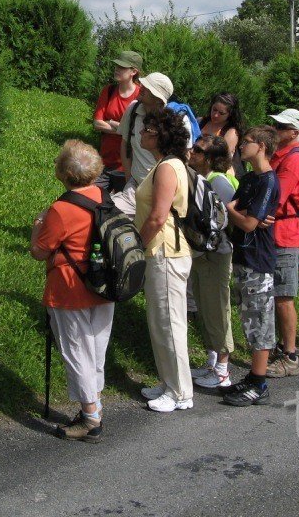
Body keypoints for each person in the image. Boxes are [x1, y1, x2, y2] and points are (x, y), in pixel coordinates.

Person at [30, 140, 114, 443]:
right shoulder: (104, 197)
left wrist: (37, 225)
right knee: (96, 349)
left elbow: (40, 252)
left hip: (70, 288)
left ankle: (91, 418)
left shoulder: (61, 209)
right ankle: (95, 405)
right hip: (104, 284)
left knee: (77, 351)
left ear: (64, 173)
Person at [135, 108, 194, 413]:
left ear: (160, 136)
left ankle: (181, 392)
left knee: (170, 323)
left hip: (166, 252)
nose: (141, 134)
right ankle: (168, 382)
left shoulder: (168, 167)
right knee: (160, 321)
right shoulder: (164, 164)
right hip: (161, 252)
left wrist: (135, 246)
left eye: (147, 130)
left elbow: (158, 217)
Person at [221, 125, 280, 407]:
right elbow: (238, 211)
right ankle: (252, 376)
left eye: (247, 142)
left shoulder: (268, 181)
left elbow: (247, 221)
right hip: (242, 257)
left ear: (262, 147)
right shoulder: (248, 180)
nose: (242, 146)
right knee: (248, 318)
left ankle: (260, 383)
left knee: (260, 320)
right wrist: (238, 212)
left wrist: (235, 212)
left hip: (258, 259)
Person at [187, 135, 237, 390]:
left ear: (209, 159)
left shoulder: (219, 182)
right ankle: (211, 360)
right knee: (204, 308)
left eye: (198, 150)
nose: (191, 152)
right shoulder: (200, 179)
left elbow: (232, 217)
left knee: (217, 309)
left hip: (217, 255)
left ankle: (222, 370)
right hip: (202, 253)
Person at [265, 108, 299, 379]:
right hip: (277, 233)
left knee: (283, 297)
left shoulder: (293, 160)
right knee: (275, 296)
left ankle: (290, 356)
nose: (276, 129)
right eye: (276, 124)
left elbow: (275, 198)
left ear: (295, 133)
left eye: (282, 126)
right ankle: (276, 348)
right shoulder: (280, 155)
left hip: (285, 234)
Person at [114, 72, 187, 217]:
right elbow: (125, 144)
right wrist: (129, 179)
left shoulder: (175, 123)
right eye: (144, 84)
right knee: (107, 216)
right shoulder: (133, 109)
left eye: (148, 88)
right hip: (134, 187)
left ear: (159, 100)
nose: (141, 88)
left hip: (160, 193)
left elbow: (182, 160)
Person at [92, 51, 143, 193]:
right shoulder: (108, 91)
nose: (116, 69)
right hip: (104, 163)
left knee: (121, 210)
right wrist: (123, 129)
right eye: (116, 66)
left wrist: (114, 124)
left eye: (122, 67)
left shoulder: (140, 96)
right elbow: (97, 123)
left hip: (128, 166)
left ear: (134, 71)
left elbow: (138, 131)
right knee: (91, 200)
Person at [198, 93, 246, 179]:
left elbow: (221, 161)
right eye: (214, 109)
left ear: (230, 114)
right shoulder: (201, 122)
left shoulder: (231, 133)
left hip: (213, 175)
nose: (216, 115)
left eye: (221, 113)